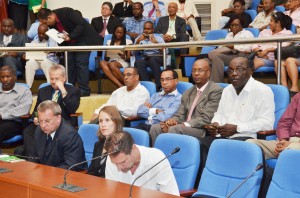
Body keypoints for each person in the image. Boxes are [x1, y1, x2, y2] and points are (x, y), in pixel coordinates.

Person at [202, 57, 275, 164]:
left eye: (239, 69)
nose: (234, 73)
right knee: (199, 144)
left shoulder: (263, 91)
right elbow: (219, 113)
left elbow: (267, 124)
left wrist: (237, 128)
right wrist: (215, 124)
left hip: (247, 137)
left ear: (250, 71)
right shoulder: (227, 90)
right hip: (223, 136)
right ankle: (207, 177)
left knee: (224, 148)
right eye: (230, 70)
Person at [149, 59, 223, 145]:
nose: (196, 73)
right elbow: (180, 114)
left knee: (174, 129)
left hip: (201, 129)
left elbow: (206, 118)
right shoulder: (188, 92)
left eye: (200, 70)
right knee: (155, 128)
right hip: (183, 126)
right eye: (194, 70)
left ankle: (173, 156)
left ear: (208, 73)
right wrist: (172, 121)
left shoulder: (215, 91)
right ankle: (159, 155)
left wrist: (185, 124)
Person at [38, 8, 102, 97]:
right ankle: (70, 88)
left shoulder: (66, 12)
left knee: (81, 63)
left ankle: (84, 90)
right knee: (69, 64)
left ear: (49, 17)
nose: (46, 25)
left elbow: (81, 25)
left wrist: (70, 36)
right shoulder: (52, 25)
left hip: (83, 40)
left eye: (45, 22)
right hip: (69, 44)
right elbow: (59, 36)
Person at [22, 64, 80, 156]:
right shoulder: (43, 90)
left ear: (64, 78)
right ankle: (33, 158)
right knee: (28, 130)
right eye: (51, 79)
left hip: (61, 122)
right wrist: (36, 118)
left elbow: (72, 109)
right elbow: (37, 109)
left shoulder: (73, 90)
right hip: (44, 122)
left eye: (57, 79)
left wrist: (63, 91)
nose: (53, 82)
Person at [105, 131, 180, 196]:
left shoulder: (157, 158)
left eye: (123, 162)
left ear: (133, 148)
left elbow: (171, 194)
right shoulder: (113, 158)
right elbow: (111, 193)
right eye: (115, 164)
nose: (119, 168)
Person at [28, 100, 86, 171]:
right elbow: (34, 157)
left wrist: (46, 172)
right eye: (40, 121)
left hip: (68, 177)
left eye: (47, 121)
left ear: (58, 118)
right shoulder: (39, 131)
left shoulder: (69, 135)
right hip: (45, 175)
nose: (43, 125)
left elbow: (70, 166)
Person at [247, 92, 300, 160]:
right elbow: (284, 122)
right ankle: (260, 169)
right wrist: (284, 140)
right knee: (250, 145)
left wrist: (291, 144)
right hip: (288, 141)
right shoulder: (298, 97)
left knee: (291, 150)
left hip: (295, 145)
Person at [207, 15, 254, 83]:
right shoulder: (229, 35)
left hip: (240, 55)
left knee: (216, 57)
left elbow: (248, 49)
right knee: (205, 61)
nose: (234, 27)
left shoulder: (247, 34)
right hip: (228, 54)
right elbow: (223, 45)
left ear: (241, 25)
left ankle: (217, 84)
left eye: (236, 25)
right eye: (232, 25)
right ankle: (205, 85)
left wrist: (234, 47)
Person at [87, 106, 123, 177]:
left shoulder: (122, 146)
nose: (103, 124)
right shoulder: (98, 145)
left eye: (107, 120)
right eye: (100, 121)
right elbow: (91, 171)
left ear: (116, 122)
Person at [0, 65, 32, 144]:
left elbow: (24, 110)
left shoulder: (24, 91)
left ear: (14, 77)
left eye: (8, 76)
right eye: (2, 77)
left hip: (14, 123)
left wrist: (1, 115)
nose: (5, 79)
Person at [134, 21, 166, 90]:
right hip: (145, 58)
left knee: (152, 59)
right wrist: (138, 41)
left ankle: (159, 85)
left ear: (153, 30)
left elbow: (166, 51)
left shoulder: (158, 37)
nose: (146, 31)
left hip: (157, 57)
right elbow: (133, 52)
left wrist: (155, 42)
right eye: (145, 29)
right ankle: (148, 85)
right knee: (138, 62)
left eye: (148, 29)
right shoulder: (140, 37)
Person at [25, 24, 59, 88]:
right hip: (38, 61)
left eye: (43, 34)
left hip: (51, 62)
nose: (41, 35)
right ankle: (28, 87)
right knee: (29, 62)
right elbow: (29, 53)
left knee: (45, 61)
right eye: (39, 33)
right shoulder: (35, 41)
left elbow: (59, 53)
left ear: (47, 33)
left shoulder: (53, 39)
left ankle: (50, 85)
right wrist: (27, 56)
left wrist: (53, 51)